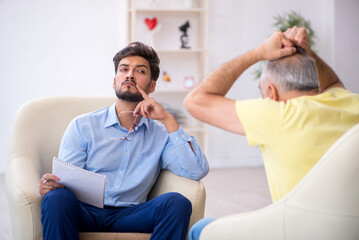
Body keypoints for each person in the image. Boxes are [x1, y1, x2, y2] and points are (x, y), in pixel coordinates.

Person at [183, 27, 359, 239]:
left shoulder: (278, 115)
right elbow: (332, 84)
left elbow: (195, 101)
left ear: (270, 92)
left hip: (299, 231)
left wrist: (257, 53)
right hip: (350, 227)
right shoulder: (350, 101)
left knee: (199, 230)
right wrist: (307, 52)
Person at [38, 42, 209, 240]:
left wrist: (168, 119)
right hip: (85, 211)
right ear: (114, 81)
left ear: (152, 85)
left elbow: (197, 170)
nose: (130, 75)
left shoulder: (161, 134)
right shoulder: (83, 125)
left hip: (131, 213)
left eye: (140, 71)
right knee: (56, 198)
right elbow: (67, 180)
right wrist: (51, 187)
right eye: (124, 69)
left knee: (178, 203)